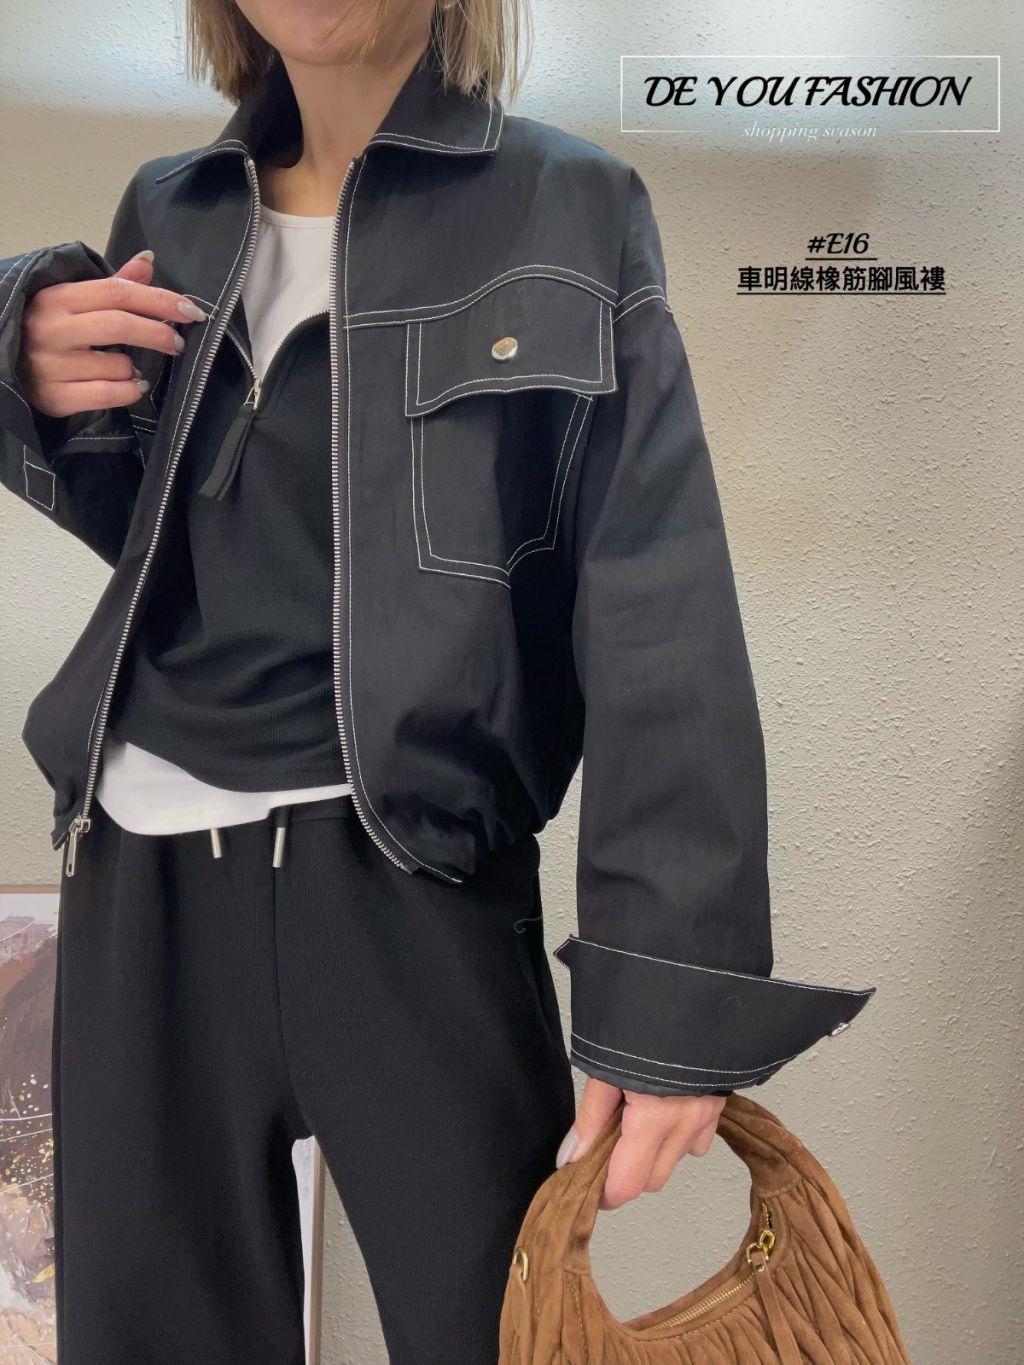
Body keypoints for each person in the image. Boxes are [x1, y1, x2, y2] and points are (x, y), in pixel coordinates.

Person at [0, 1, 875, 1360]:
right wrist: (15, 343)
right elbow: (166, 536)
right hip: (145, 885)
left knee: (502, 1336)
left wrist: (668, 991)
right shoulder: (172, 209)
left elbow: (657, 599)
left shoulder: (570, 206)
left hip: (411, 879)